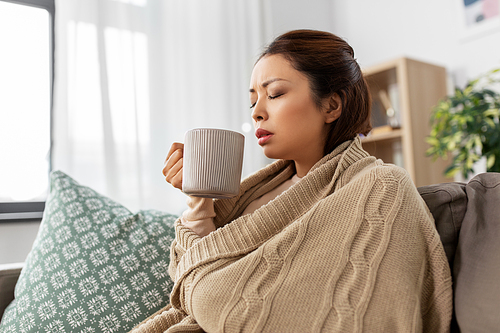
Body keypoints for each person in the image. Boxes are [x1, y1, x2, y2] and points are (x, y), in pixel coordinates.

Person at [132, 30, 452, 332]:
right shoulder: (259, 191)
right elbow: (191, 275)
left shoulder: (380, 187)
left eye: (275, 94)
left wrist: (200, 288)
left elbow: (214, 297)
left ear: (331, 105)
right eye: (253, 100)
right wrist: (199, 196)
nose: (257, 112)